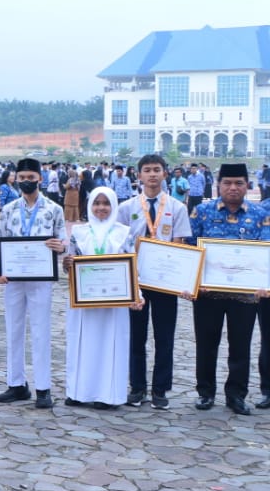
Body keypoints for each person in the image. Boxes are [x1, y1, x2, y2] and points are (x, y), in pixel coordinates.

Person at [189, 163, 269, 415]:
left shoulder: (259, 214)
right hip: (206, 294)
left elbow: (266, 253)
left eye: (239, 183)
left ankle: (236, 395)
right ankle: (205, 392)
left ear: (248, 185)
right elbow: (190, 249)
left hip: (244, 296)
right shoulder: (201, 211)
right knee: (206, 343)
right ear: (218, 185)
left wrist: (264, 285)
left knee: (240, 345)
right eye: (227, 183)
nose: (233, 188)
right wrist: (187, 282)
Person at [119, 154, 191, 410]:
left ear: (165, 174)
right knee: (136, 337)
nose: (152, 174)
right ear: (138, 175)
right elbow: (120, 245)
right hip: (136, 282)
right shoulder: (126, 208)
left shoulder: (177, 207)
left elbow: (181, 245)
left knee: (164, 337)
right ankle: (137, 387)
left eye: (157, 170)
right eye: (147, 170)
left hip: (164, 283)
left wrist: (181, 280)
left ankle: (160, 389)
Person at [0, 157, 67, 409]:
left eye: (31, 177)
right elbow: (0, 241)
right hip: (13, 279)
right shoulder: (8, 209)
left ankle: (43, 388)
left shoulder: (54, 209)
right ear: (16, 178)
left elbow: (64, 243)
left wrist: (61, 247)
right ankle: (16, 384)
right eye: (22, 177)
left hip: (40, 279)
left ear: (40, 178)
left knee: (40, 331)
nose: (26, 182)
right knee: (12, 329)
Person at [63, 187, 139, 409]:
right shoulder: (79, 232)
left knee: (109, 344)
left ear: (114, 206)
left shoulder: (124, 232)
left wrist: (137, 294)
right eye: (97, 203)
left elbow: (132, 266)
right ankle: (78, 392)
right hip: (83, 300)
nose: (101, 208)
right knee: (81, 343)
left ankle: (106, 395)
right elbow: (71, 263)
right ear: (89, 205)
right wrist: (67, 264)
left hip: (113, 302)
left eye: (106, 203)